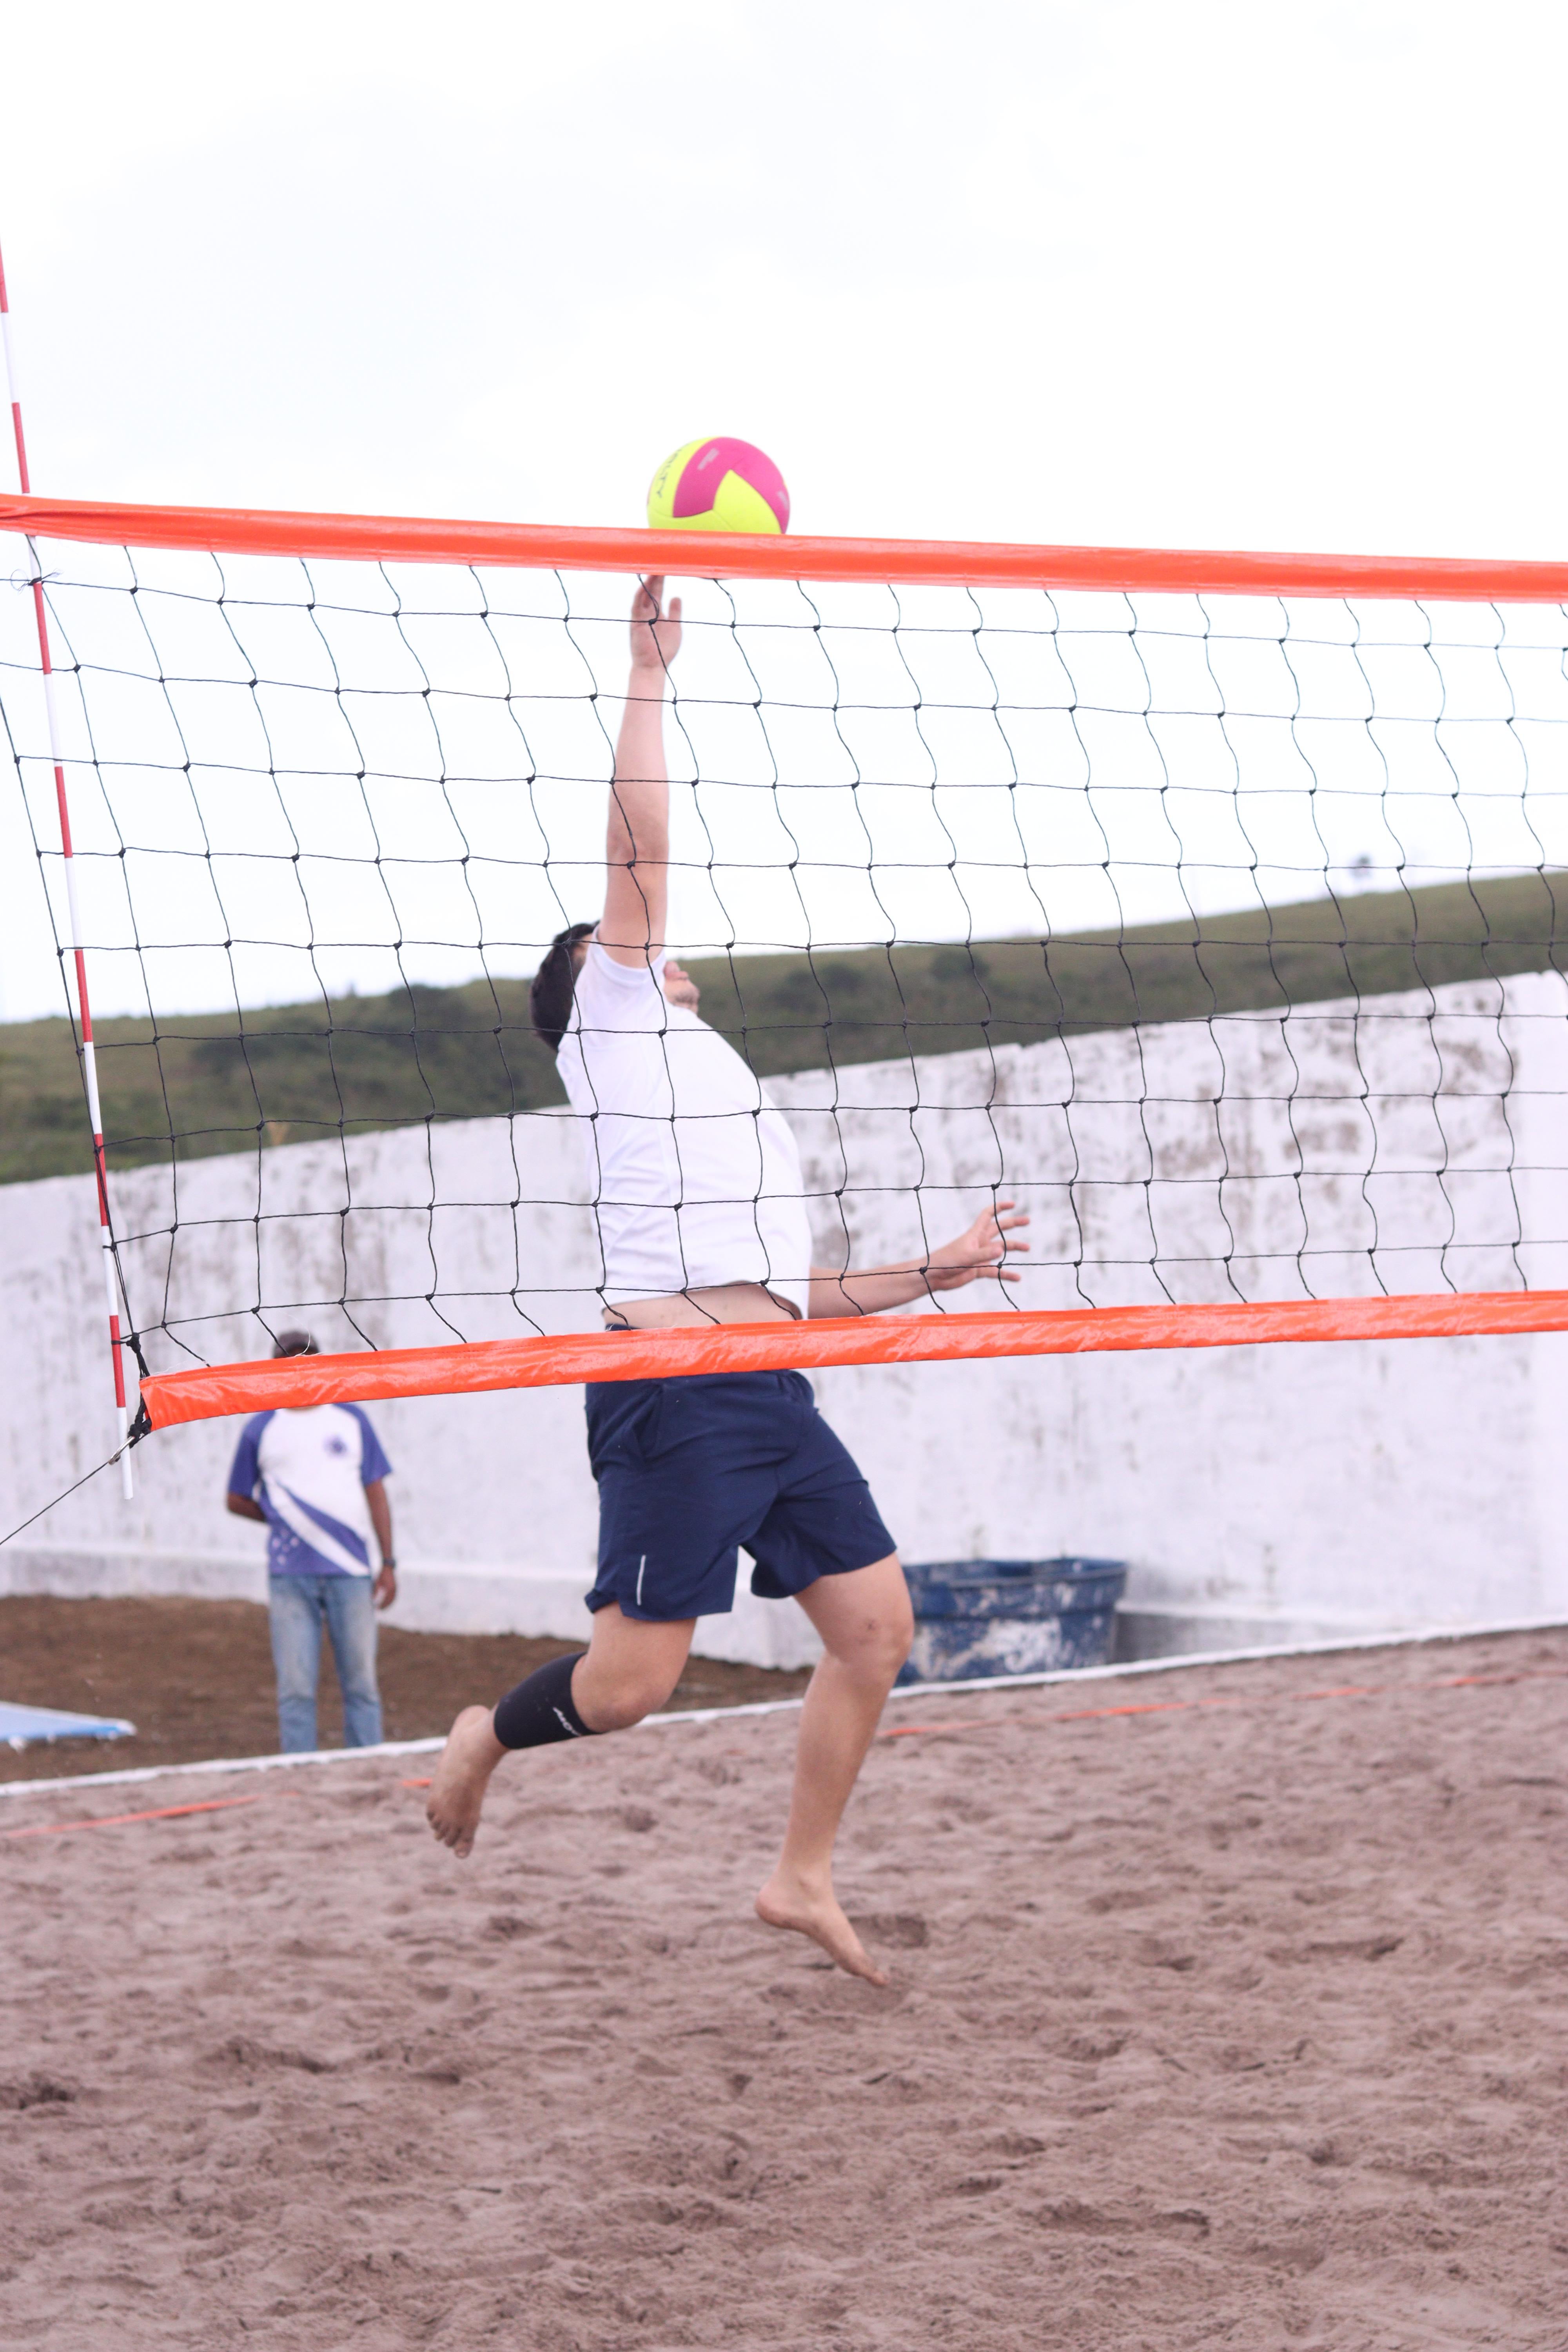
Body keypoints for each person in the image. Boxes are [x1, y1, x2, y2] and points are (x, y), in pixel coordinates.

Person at [426, 579, 1028, 1983]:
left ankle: (797, 1874)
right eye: (627, 943)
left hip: (766, 1383)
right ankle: (482, 1737)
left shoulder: (711, 1077)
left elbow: (784, 1291)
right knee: (632, 1687)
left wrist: (927, 1271)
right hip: (670, 1393)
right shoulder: (611, 1021)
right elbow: (638, 854)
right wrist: (648, 679)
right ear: (593, 983)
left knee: (875, 1629)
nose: (656, 945)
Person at [225, 1330, 398, 1753]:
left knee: (361, 1686)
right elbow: (236, 1498)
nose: (300, 1372)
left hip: (351, 1574)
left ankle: (367, 1765)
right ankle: (298, 1775)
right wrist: (285, 1521)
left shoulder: (352, 1421)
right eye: (289, 1364)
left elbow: (376, 1492)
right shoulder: (261, 1428)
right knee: (296, 1690)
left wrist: (389, 1563)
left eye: (309, 1362)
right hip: (291, 1578)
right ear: (273, 1371)